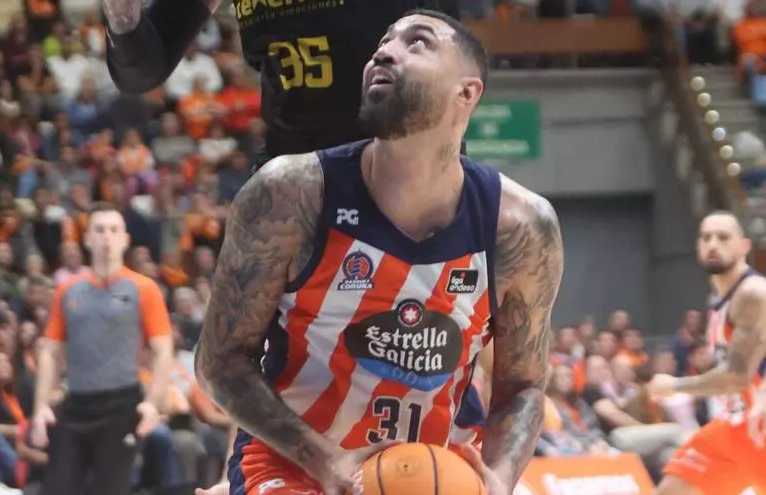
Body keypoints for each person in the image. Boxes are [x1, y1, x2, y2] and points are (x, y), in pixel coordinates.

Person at [193, 10, 563, 495]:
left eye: (418, 42)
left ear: (467, 93)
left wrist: (500, 478)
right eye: (383, 42)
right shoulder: (289, 194)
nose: (383, 52)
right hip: (294, 464)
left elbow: (524, 387)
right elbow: (219, 363)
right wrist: (326, 461)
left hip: (435, 465)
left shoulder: (519, 227)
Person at [103, 0, 459, 161]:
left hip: (398, 171)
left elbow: (451, 65)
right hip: (290, 177)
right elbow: (141, 72)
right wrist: (122, 15)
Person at [29, 202, 175, 495]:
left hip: (122, 406)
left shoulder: (143, 288)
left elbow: (162, 349)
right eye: (99, 229)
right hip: (75, 404)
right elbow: (50, 351)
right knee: (57, 487)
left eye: (113, 229)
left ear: (125, 239)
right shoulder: (67, 289)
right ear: (87, 239)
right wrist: (41, 407)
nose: (106, 236)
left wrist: (153, 402)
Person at [648, 210, 766, 495]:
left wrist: (675, 385)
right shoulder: (717, 298)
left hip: (758, 424)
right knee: (670, 491)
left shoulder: (753, 294)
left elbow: (736, 377)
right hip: (733, 424)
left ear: (744, 246)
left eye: (723, 237)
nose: (713, 244)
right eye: (706, 237)